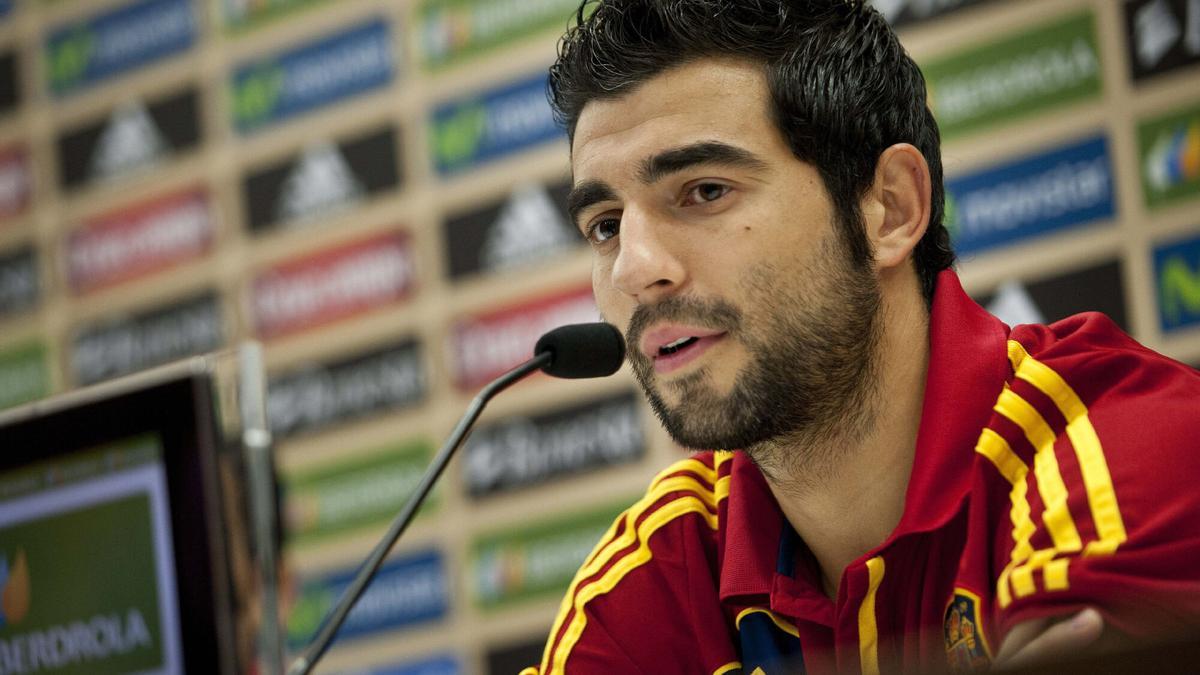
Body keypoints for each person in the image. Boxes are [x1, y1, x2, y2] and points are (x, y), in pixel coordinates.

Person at [520, 1, 1200, 673]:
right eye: (606, 225)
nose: (637, 269)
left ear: (889, 208)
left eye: (704, 191)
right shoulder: (655, 576)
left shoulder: (1116, 454)